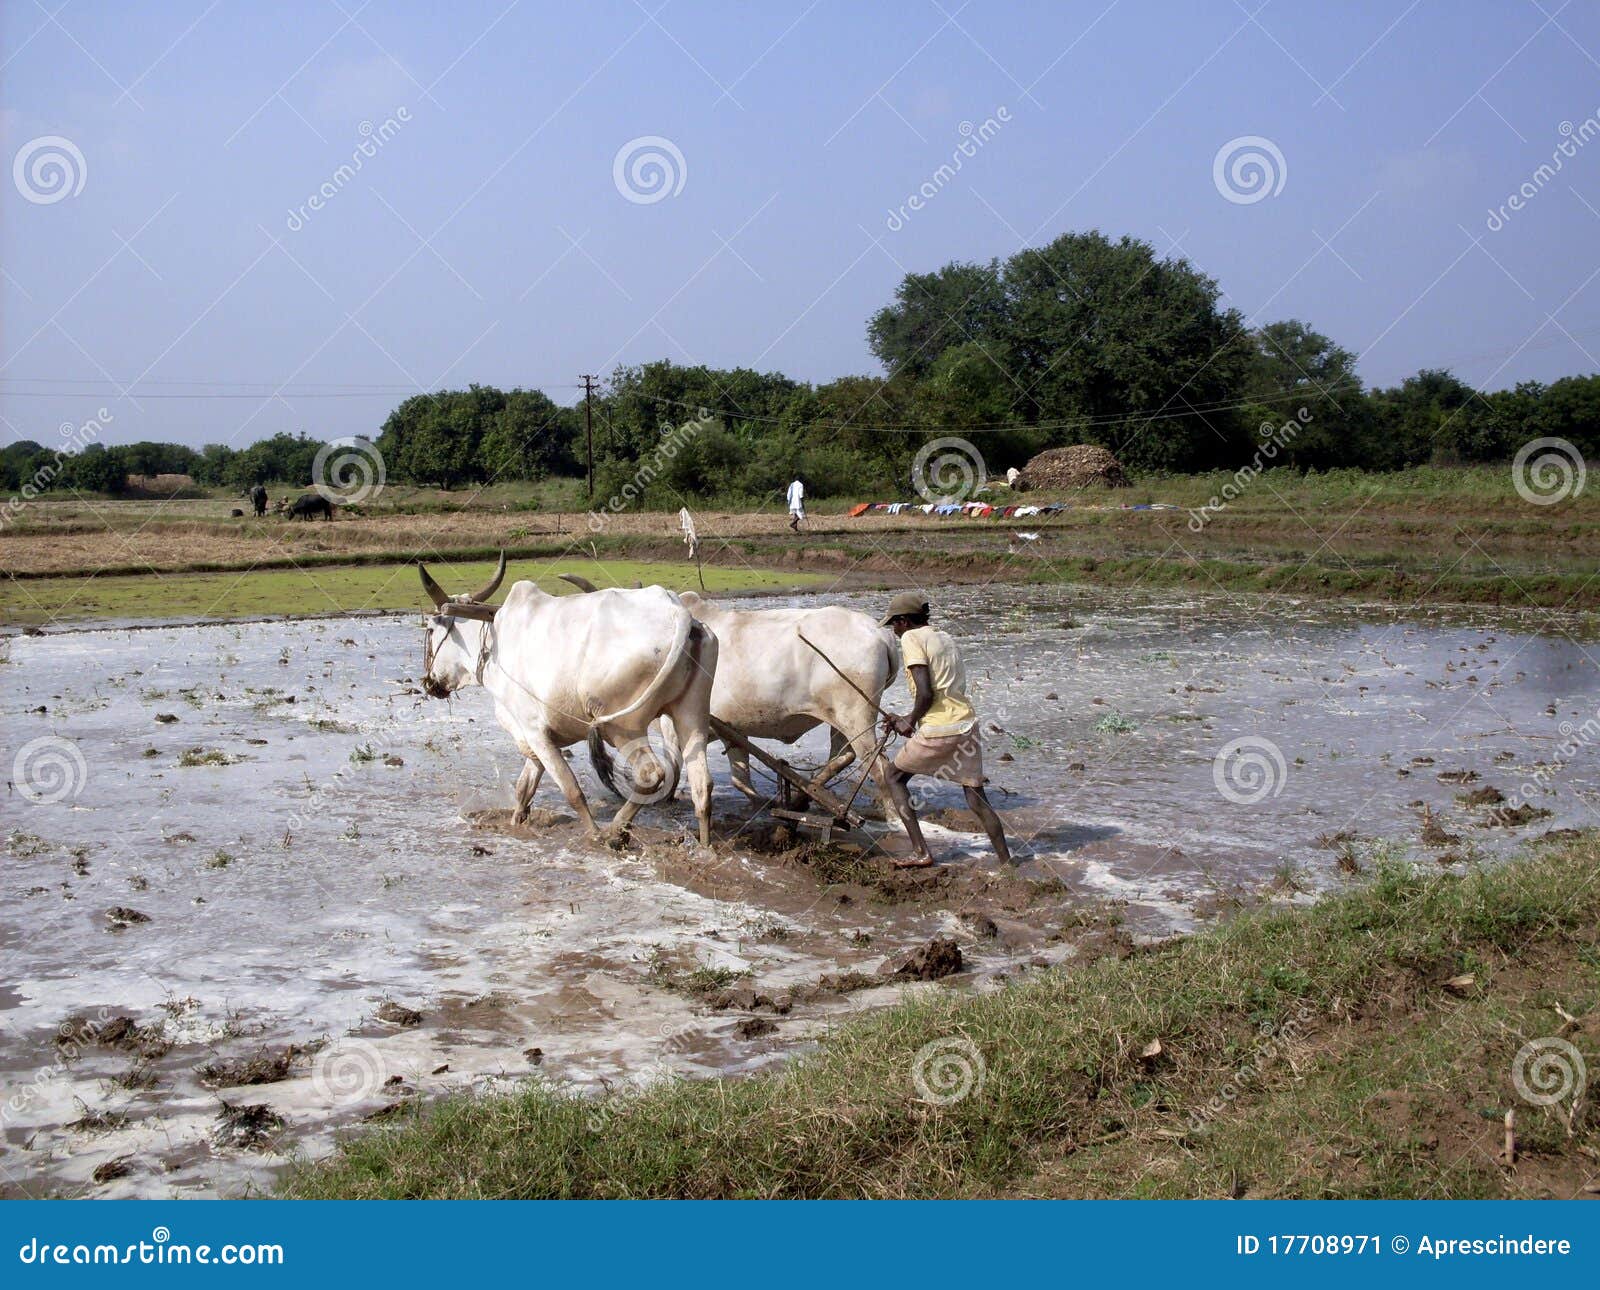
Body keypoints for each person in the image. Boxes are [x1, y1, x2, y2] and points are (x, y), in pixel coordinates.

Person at [878, 591, 1011, 868]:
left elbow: (925, 693)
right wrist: (905, 716)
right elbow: (944, 691)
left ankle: (920, 852)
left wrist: (909, 721)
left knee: (894, 777)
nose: (894, 629)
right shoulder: (945, 637)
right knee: (976, 797)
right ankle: (1007, 862)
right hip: (966, 725)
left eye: (894, 623)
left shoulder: (913, 639)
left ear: (904, 621)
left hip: (940, 730)